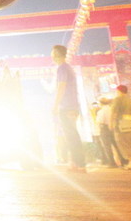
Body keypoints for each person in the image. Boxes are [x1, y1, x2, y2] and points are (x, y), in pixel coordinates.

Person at [50, 45, 86, 173]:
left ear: (56, 54)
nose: (51, 56)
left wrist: (55, 105)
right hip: (71, 106)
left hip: (67, 107)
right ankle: (75, 163)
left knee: (72, 136)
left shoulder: (62, 68)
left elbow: (61, 87)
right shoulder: (67, 67)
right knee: (71, 136)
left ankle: (80, 164)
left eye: (52, 53)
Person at [110, 84, 131, 169]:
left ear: (118, 91)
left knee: (121, 141)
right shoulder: (130, 100)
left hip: (120, 123)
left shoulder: (118, 99)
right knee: (130, 142)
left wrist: (111, 123)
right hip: (130, 122)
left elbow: (114, 112)